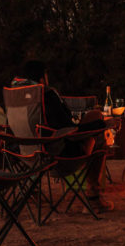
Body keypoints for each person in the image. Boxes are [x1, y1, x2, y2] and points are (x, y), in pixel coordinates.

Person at [11, 60, 112, 212]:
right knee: (97, 126)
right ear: (42, 78)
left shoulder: (15, 99)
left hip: (26, 158)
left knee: (94, 118)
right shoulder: (47, 95)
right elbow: (72, 132)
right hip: (58, 159)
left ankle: (30, 191)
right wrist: (105, 125)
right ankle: (94, 198)